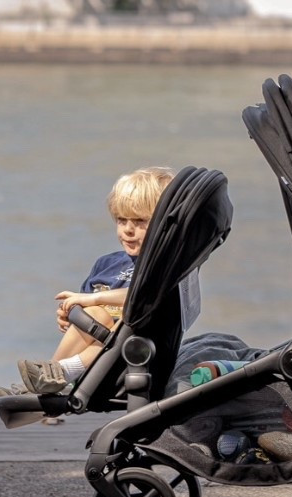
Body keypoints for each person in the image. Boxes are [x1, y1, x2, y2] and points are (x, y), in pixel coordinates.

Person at [13, 165, 198, 397]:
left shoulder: (166, 269)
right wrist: (69, 313)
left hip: (133, 359)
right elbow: (84, 311)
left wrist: (96, 298)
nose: (128, 230)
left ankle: (55, 377)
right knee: (95, 314)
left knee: (100, 313)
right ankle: (52, 376)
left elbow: (143, 296)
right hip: (95, 358)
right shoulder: (106, 264)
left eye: (140, 221)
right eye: (122, 220)